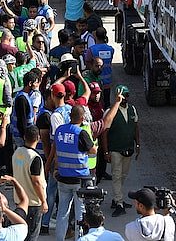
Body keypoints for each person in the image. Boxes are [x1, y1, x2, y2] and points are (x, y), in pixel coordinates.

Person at [53, 104, 96, 241]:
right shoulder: (81, 133)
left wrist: (55, 169)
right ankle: (80, 239)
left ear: (70, 116)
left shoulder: (60, 131)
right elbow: (93, 151)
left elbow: (56, 153)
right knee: (80, 214)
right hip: (80, 180)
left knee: (62, 213)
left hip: (63, 178)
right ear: (82, 118)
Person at [103, 85, 139, 217]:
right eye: (123, 96)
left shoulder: (132, 109)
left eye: (127, 95)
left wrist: (138, 144)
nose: (125, 98)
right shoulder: (110, 111)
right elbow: (104, 133)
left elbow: (136, 127)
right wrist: (106, 152)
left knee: (123, 175)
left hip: (128, 148)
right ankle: (119, 203)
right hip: (115, 149)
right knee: (117, 175)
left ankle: (116, 198)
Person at [11, 125, 46, 241]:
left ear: (24, 137)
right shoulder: (35, 158)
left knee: (21, 234)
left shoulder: (17, 152)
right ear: (38, 138)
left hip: (19, 200)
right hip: (33, 203)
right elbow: (36, 182)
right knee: (31, 235)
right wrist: (43, 201)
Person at [86, 27, 115, 108]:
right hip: (107, 83)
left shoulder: (91, 50)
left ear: (95, 36)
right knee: (106, 104)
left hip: (95, 83)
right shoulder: (111, 49)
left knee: (96, 105)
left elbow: (88, 64)